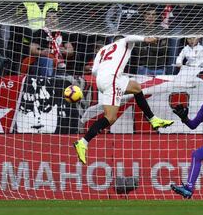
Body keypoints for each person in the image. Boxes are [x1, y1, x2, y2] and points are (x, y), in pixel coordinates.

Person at [74, 35, 174, 164]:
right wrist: (145, 39)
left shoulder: (103, 49)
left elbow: (94, 71)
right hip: (112, 79)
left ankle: (153, 120)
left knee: (136, 87)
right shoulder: (123, 42)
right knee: (110, 117)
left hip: (103, 79)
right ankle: (83, 142)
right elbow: (128, 38)